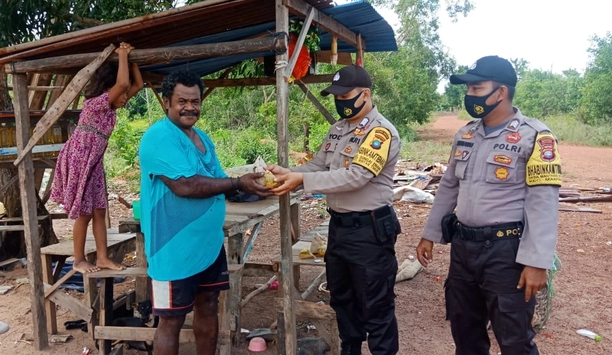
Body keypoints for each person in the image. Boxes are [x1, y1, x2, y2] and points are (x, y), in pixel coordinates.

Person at [416, 55, 561, 355]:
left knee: (514, 338)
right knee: (465, 333)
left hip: (506, 254)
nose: (469, 95)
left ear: (501, 92)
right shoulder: (466, 133)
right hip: (464, 248)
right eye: (468, 89)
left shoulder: (534, 136)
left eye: (476, 88)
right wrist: (430, 233)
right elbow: (448, 186)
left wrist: (537, 262)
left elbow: (543, 203)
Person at [268, 64, 401, 355]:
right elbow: (318, 165)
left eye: (346, 96)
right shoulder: (338, 129)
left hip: (370, 230)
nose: (341, 102)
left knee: (376, 307)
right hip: (340, 229)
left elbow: (356, 176)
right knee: (343, 301)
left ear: (365, 94)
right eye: (336, 97)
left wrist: (301, 180)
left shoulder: (380, 133)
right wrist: (287, 173)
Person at [138, 70, 272, 355]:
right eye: (182, 101)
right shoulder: (159, 137)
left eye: (195, 101)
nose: (190, 107)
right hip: (171, 249)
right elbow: (185, 186)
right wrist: (237, 182)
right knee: (171, 319)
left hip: (208, 246)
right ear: (166, 103)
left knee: (209, 304)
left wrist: (257, 187)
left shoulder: (202, 138)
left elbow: (218, 182)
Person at [50, 42, 144, 273]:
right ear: (109, 88)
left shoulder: (111, 108)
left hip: (94, 163)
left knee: (100, 210)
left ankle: (102, 257)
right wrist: (122, 54)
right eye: (122, 93)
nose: (125, 97)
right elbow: (122, 83)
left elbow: (137, 84)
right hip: (80, 160)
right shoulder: (95, 104)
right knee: (84, 213)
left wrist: (132, 63)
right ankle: (79, 259)